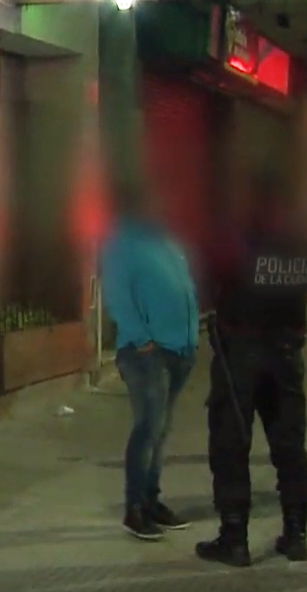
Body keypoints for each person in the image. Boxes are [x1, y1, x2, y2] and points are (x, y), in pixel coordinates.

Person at [196, 177, 307, 567]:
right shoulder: (303, 244)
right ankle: (296, 534)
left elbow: (210, 274)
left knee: (231, 445)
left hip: (241, 354)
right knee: (289, 445)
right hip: (286, 354)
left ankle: (235, 538)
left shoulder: (240, 238)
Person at [100, 178, 200, 541]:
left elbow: (185, 285)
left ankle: (151, 499)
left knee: (161, 432)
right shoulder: (123, 242)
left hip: (180, 351)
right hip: (148, 355)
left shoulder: (168, 240)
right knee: (148, 429)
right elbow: (116, 295)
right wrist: (142, 339)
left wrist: (192, 337)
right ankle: (135, 508)